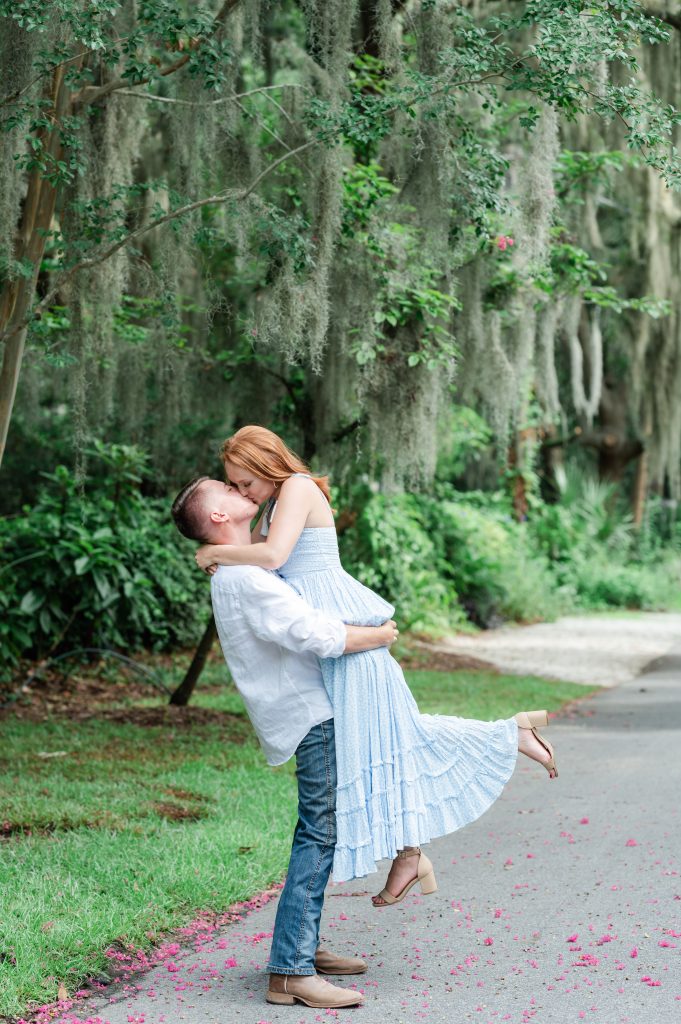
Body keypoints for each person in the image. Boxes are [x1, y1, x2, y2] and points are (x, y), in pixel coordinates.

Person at [195, 426, 558, 908]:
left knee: (386, 734)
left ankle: (503, 743)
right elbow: (263, 566)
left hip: (345, 627)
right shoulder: (274, 504)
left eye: (246, 483)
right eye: (235, 487)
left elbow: (274, 556)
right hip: (326, 634)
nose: (244, 493)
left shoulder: (298, 489)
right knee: (380, 736)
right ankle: (412, 848)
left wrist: (214, 550)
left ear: (267, 465)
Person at [171, 476, 399, 1009]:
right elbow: (315, 634)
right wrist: (381, 633)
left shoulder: (240, 566)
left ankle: (304, 948)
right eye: (223, 488)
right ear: (220, 517)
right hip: (310, 714)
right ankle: (291, 971)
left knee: (319, 829)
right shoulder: (244, 578)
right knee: (318, 833)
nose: (234, 486)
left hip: (307, 708)